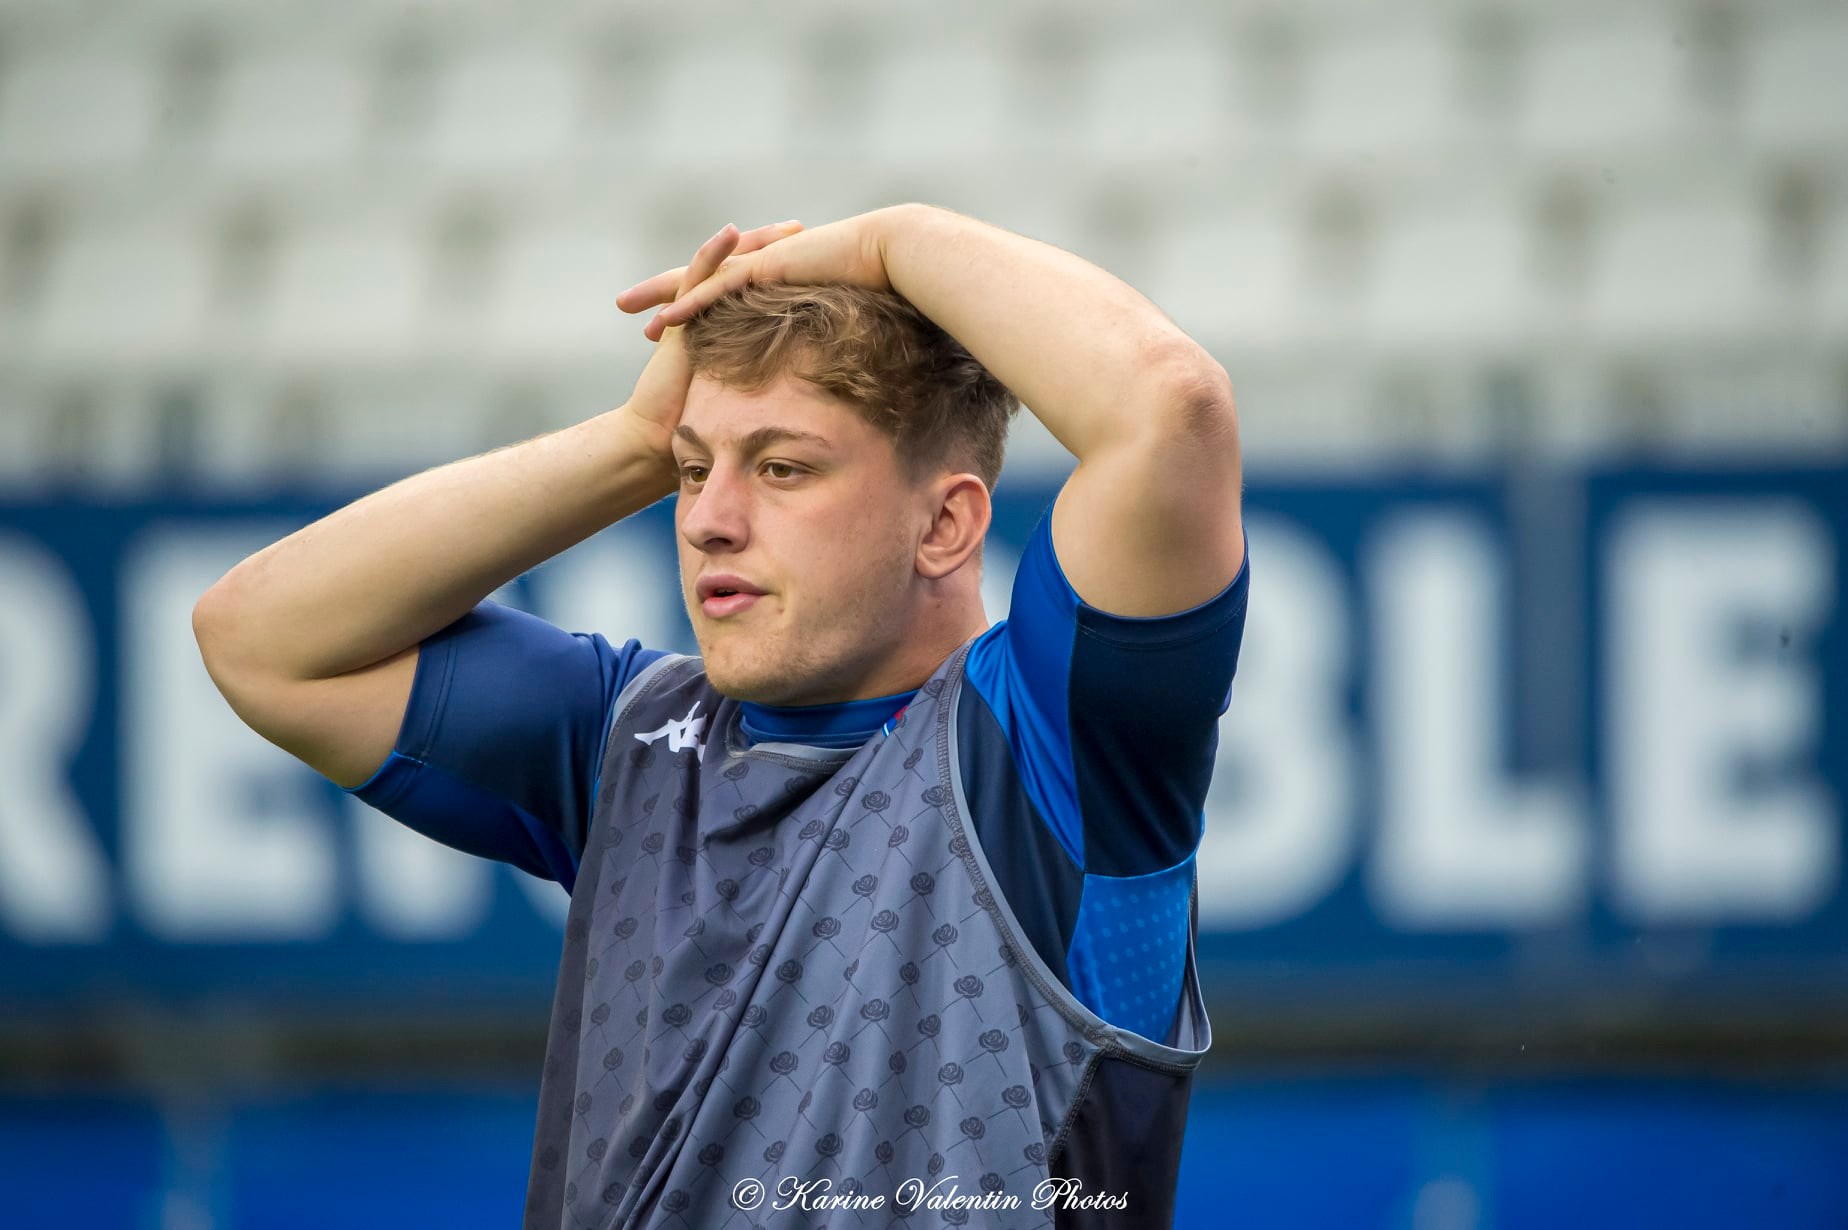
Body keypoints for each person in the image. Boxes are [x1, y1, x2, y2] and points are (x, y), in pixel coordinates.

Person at [194, 204, 1248, 1229]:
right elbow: (257, 636)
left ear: (945, 525)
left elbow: (1169, 407)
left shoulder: (1055, 753)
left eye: (782, 468)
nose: (707, 519)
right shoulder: (627, 734)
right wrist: (632, 441)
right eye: (694, 472)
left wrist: (890, 240)